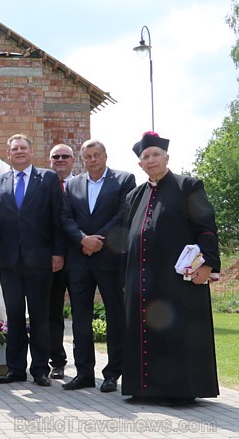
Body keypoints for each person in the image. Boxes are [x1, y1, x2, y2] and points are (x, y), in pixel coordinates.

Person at [122, 132, 221, 405]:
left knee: (175, 330)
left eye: (155, 155)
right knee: (144, 331)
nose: (151, 160)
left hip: (177, 280)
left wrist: (209, 263)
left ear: (167, 157)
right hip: (140, 279)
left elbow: (206, 228)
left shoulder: (188, 186)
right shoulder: (134, 195)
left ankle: (179, 391)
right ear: (140, 165)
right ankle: (143, 388)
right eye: (145, 157)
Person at [0, 134, 65, 387]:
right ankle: (15, 369)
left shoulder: (48, 178)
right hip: (9, 261)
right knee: (15, 315)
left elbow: (58, 218)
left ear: (31, 152)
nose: (19, 152)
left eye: (23, 148)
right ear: (8, 155)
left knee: (40, 316)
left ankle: (40, 369)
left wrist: (58, 252)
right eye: (14, 149)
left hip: (40, 260)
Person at [60, 140, 135, 392]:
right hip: (80, 258)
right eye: (88, 156)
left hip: (109, 258)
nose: (93, 160)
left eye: (97, 155)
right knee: (80, 318)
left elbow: (123, 214)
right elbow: (66, 217)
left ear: (105, 156)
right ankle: (84, 373)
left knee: (115, 315)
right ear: (82, 159)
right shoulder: (72, 184)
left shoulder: (124, 180)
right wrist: (82, 239)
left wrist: (96, 240)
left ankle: (113, 373)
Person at [47, 144, 75, 380]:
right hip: (53, 261)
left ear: (73, 160)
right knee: (53, 313)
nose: (60, 160)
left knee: (81, 313)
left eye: (65, 156)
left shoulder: (83, 185)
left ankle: (86, 366)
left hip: (81, 259)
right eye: (56, 157)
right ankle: (57, 361)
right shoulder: (44, 186)